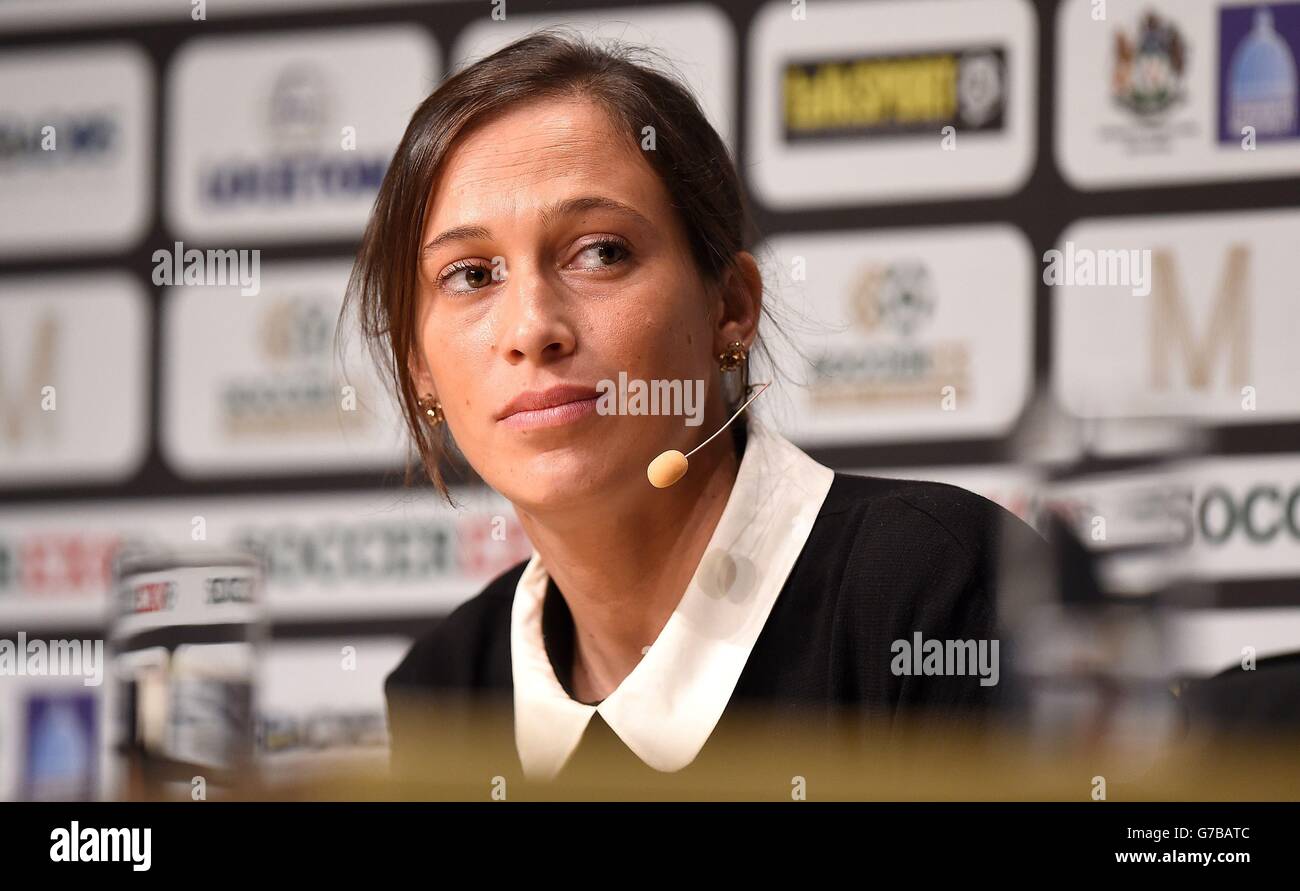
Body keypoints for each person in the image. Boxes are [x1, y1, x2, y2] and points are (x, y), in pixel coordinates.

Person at [342, 30, 1048, 787]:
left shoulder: (932, 590)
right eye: (471, 273)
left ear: (731, 309)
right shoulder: (446, 692)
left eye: (600, 251)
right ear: (419, 367)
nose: (531, 329)